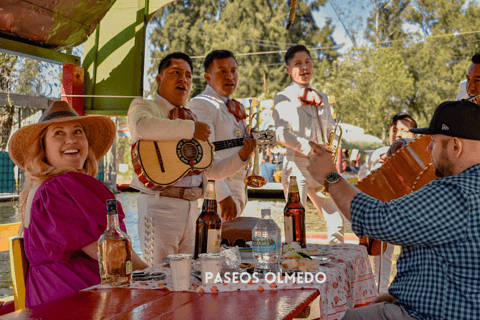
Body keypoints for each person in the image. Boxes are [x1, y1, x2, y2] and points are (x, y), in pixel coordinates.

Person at [307, 99, 480, 320]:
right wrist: (396, 295)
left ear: (456, 147)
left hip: (428, 315)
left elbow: (378, 220)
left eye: (434, 142)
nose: (428, 149)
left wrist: (330, 177)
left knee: (338, 316)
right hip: (451, 306)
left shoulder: (455, 192)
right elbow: (452, 262)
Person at [7, 101, 148, 308]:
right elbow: (111, 256)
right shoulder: (57, 189)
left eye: (77, 131)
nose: (71, 140)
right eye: (58, 133)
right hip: (73, 302)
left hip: (55, 298)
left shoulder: (44, 188)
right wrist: (153, 273)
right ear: (43, 147)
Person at [128, 52, 255, 264]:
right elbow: (142, 127)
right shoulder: (144, 107)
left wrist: (242, 157)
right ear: (159, 79)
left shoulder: (191, 118)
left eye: (188, 76)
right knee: (160, 277)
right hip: (159, 207)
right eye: (175, 73)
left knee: (190, 279)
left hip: (192, 210)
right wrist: (191, 129)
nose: (183, 80)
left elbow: (210, 170)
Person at [272, 44, 345, 244]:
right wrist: (311, 148)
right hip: (297, 164)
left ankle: (333, 268)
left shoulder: (322, 97)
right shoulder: (283, 97)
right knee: (296, 222)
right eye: (297, 64)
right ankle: (294, 265)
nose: (304, 68)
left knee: (337, 220)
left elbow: (331, 128)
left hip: (322, 165)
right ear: (288, 70)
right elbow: (281, 133)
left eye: (307, 62)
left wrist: (332, 144)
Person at [187, 50, 249, 220]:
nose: (230, 76)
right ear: (208, 77)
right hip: (219, 191)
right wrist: (220, 194)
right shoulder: (201, 104)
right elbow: (203, 155)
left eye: (233, 71)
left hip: (238, 185)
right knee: (212, 242)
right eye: (222, 71)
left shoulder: (234, 106)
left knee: (229, 244)